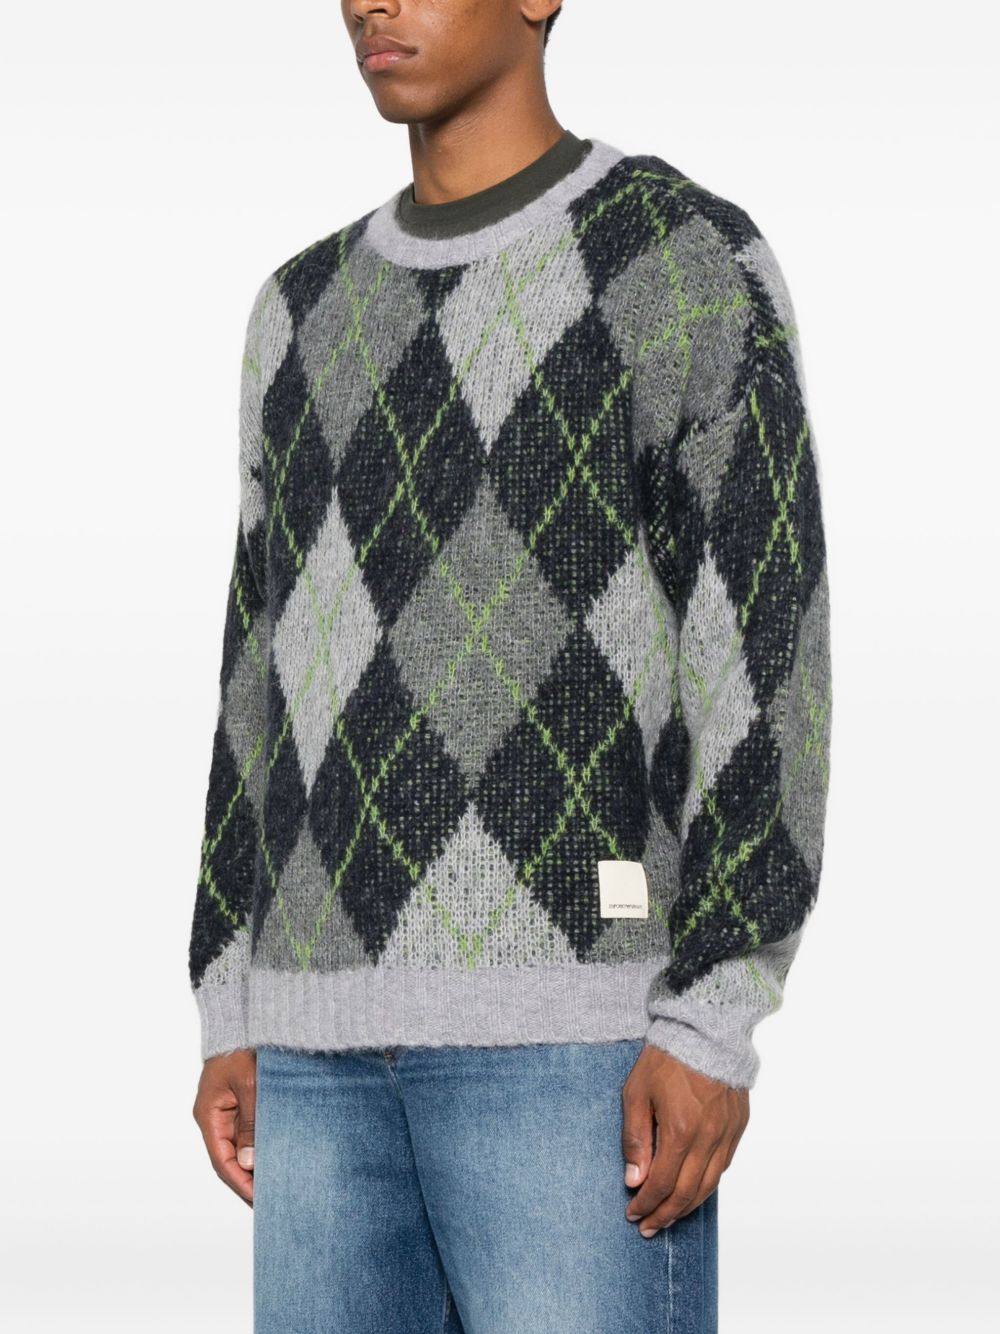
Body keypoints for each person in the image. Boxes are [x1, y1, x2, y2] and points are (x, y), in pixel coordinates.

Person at [189, 3, 832, 1330]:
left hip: (578, 1058)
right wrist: (230, 998)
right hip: (310, 1065)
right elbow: (257, 668)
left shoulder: (677, 258)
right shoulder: (297, 310)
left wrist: (711, 1019)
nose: (371, 1)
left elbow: (765, 650)